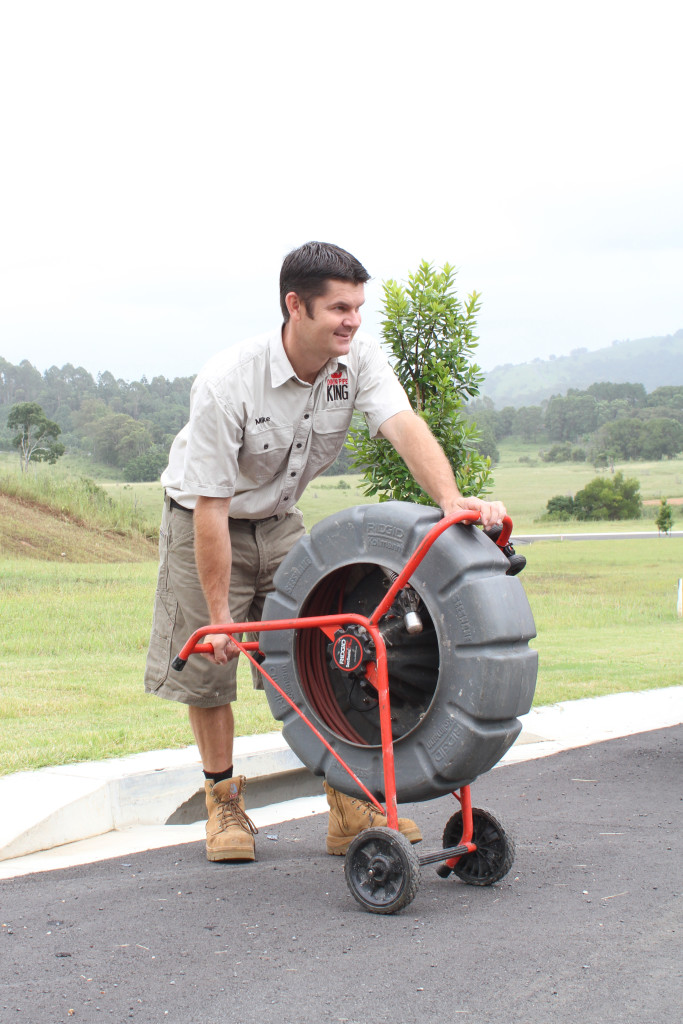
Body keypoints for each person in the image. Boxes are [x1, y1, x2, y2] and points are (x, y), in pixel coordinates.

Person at [144, 241, 506, 863]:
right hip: (205, 524)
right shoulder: (230, 381)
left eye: (358, 306)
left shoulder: (356, 361)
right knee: (213, 666)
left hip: (282, 522)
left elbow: (402, 423)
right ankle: (223, 801)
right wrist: (222, 616)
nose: (353, 320)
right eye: (339, 307)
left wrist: (450, 500)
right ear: (295, 305)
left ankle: (345, 801)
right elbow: (208, 507)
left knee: (323, 652)